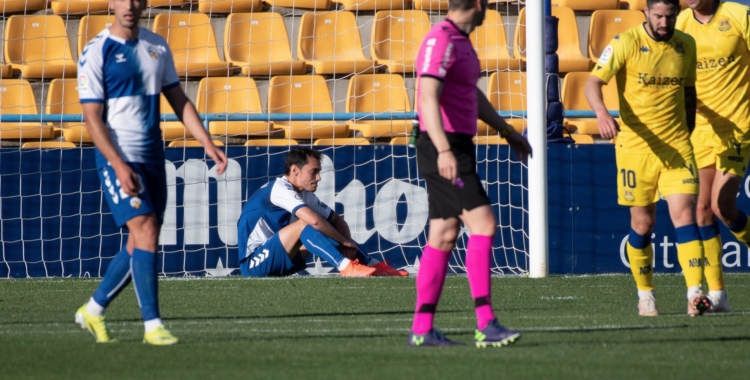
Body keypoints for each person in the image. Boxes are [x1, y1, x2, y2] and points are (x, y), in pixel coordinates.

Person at [74, 0, 227, 345]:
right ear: (111, 4)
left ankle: (93, 310)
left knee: (142, 238)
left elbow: (178, 99)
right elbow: (92, 118)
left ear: (144, 3)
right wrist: (117, 164)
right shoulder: (96, 51)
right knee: (145, 230)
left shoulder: (156, 45)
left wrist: (206, 141)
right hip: (118, 156)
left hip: (153, 157)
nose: (128, 5)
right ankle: (153, 326)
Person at [407, 0, 532, 347]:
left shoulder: (460, 40)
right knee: (485, 224)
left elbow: (469, 94)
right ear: (478, 4)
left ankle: (421, 330)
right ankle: (486, 323)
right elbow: (427, 96)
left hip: (456, 145)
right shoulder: (440, 39)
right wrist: (444, 149)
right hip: (443, 145)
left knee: (444, 234)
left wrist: (507, 131)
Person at [585, 0, 710, 317]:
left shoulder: (686, 45)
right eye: (658, 16)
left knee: (685, 215)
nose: (665, 23)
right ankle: (646, 295)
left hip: (676, 147)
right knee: (643, 224)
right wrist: (601, 114)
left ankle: (696, 294)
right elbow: (592, 83)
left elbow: (689, 93)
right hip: (635, 149)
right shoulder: (625, 42)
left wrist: (688, 130)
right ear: (646, 13)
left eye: (670, 16)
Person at [674, 0, 750, 313]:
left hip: (737, 127)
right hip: (699, 131)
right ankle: (718, 296)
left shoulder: (738, 15)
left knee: (722, 205)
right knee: (702, 210)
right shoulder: (679, 23)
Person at [237, 148, 407, 278]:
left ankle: (375, 265)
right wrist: (343, 242)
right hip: (254, 265)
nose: (319, 178)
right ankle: (344, 267)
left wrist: (345, 242)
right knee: (308, 222)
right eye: (314, 172)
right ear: (295, 170)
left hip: (280, 259)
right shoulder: (280, 189)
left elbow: (336, 220)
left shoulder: (303, 193)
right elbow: (314, 222)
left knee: (327, 225)